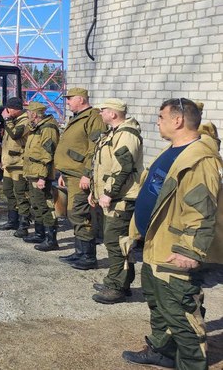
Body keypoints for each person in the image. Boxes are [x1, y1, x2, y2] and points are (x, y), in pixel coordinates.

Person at [122, 98, 222, 369]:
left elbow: (201, 209)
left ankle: (191, 364)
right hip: (156, 243)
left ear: (178, 120)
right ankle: (162, 352)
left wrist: (189, 250)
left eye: (161, 116)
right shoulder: (174, 150)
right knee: (159, 305)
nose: (157, 121)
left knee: (181, 314)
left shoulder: (198, 158)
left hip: (174, 249)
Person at [87, 98, 143, 303]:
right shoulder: (113, 133)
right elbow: (100, 165)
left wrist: (109, 193)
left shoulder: (126, 135)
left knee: (116, 242)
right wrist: (94, 191)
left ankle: (117, 286)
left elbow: (123, 168)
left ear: (113, 113)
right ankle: (118, 280)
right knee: (115, 241)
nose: (100, 114)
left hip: (121, 199)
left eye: (103, 110)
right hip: (111, 197)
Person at [55, 87, 107, 269]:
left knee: (80, 214)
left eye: (70, 99)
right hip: (70, 174)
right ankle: (79, 253)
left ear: (81, 99)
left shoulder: (93, 118)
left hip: (80, 175)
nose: (67, 102)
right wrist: (63, 173)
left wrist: (87, 174)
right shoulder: (77, 118)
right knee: (74, 214)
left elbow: (94, 149)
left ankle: (88, 257)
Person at [22, 101, 61, 250]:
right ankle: (40, 234)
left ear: (35, 114)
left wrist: (42, 177)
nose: (27, 114)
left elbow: (48, 154)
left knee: (45, 205)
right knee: (36, 204)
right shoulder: (36, 127)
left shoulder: (48, 128)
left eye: (29, 112)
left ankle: (51, 239)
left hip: (40, 173)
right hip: (33, 171)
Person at [0, 97, 31, 234]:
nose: (6, 111)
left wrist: (7, 120)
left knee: (20, 194)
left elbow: (16, 134)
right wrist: (2, 159)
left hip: (19, 164)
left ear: (14, 109)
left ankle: (24, 224)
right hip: (9, 163)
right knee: (8, 191)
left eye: (8, 109)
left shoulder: (25, 121)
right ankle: (12, 220)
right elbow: (6, 142)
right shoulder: (14, 120)